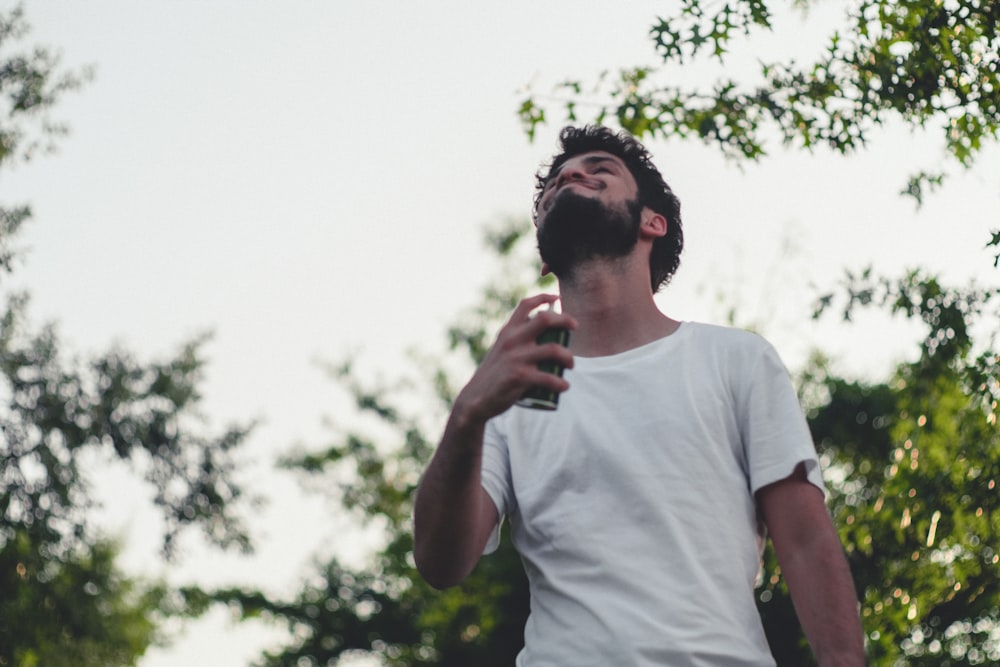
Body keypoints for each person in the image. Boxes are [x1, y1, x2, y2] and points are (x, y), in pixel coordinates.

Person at [413, 125, 864, 666]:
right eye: (556, 181)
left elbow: (807, 543)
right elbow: (441, 564)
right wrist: (466, 414)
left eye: (599, 169)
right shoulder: (509, 396)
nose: (571, 175)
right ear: (544, 254)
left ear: (653, 221)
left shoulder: (734, 359)